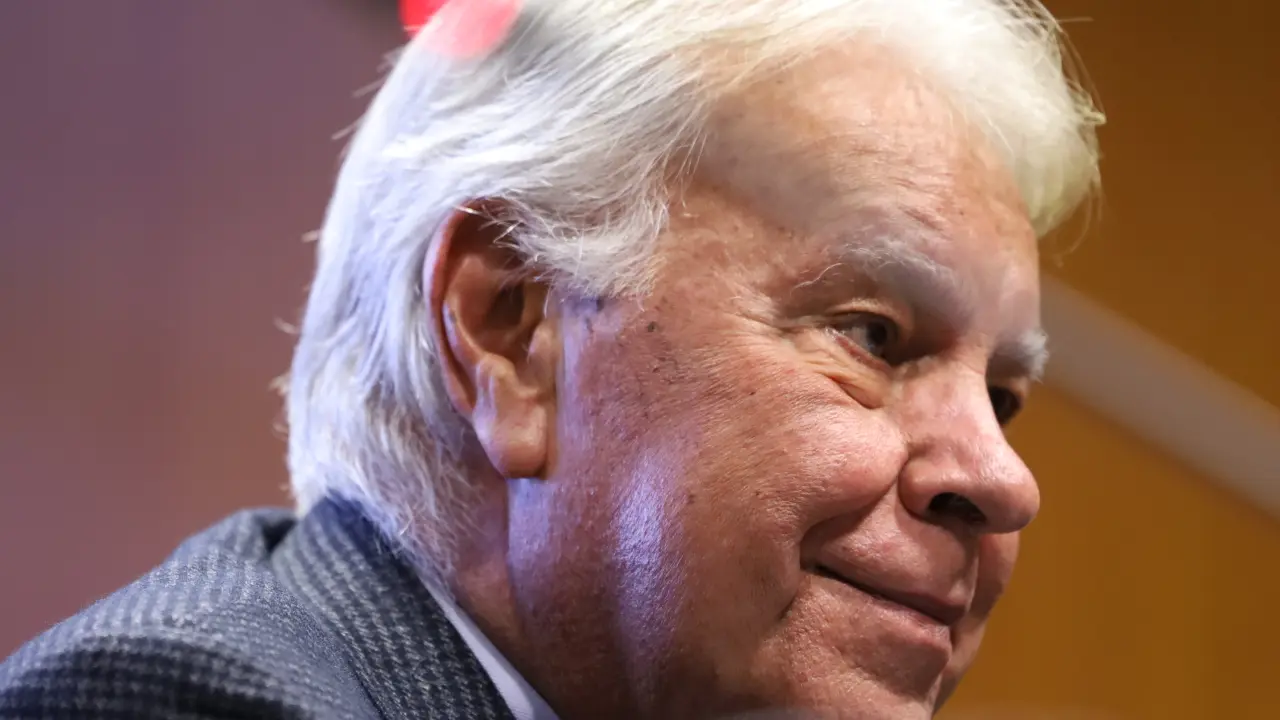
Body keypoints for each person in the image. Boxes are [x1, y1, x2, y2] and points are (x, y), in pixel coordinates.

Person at [0, 0, 1102, 717]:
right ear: (509, 331)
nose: (1004, 480)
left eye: (1003, 395)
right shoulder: (202, 700)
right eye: (871, 335)